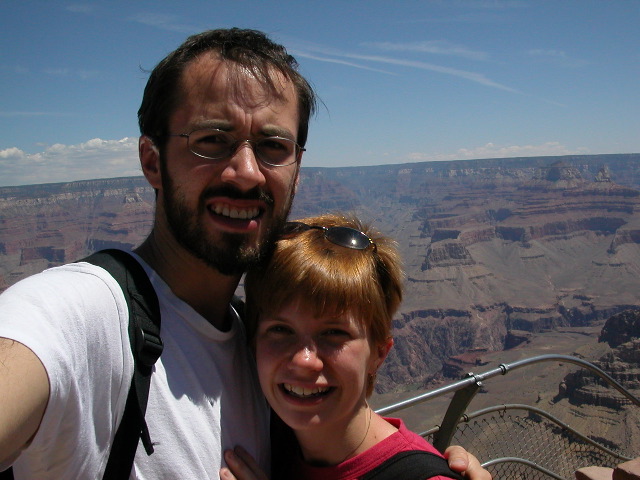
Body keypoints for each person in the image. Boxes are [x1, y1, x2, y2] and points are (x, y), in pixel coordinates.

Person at [0, 28, 489, 479]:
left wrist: (422, 468)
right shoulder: (78, 315)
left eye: (273, 146)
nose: (247, 172)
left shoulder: (261, 344)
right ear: (152, 161)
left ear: (296, 170)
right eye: (212, 140)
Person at [219, 213, 477, 480]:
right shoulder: (270, 438)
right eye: (280, 330)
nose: (304, 360)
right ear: (253, 342)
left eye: (333, 333)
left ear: (379, 352)